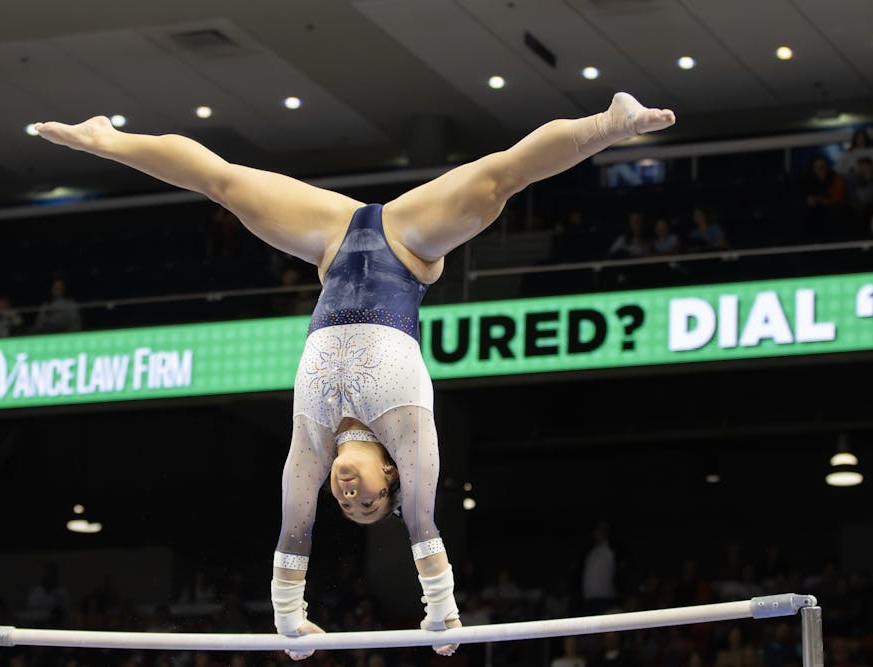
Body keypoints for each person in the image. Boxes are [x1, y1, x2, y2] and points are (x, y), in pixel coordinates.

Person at [34, 91, 675, 658]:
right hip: (407, 244)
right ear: (389, 475)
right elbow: (422, 526)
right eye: (369, 501)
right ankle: (607, 125)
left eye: (347, 506)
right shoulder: (409, 436)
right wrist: (442, 615)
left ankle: (106, 139)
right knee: (499, 178)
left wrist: (290, 621)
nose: (350, 496)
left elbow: (294, 533)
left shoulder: (312, 449)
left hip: (332, 243)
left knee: (223, 184)